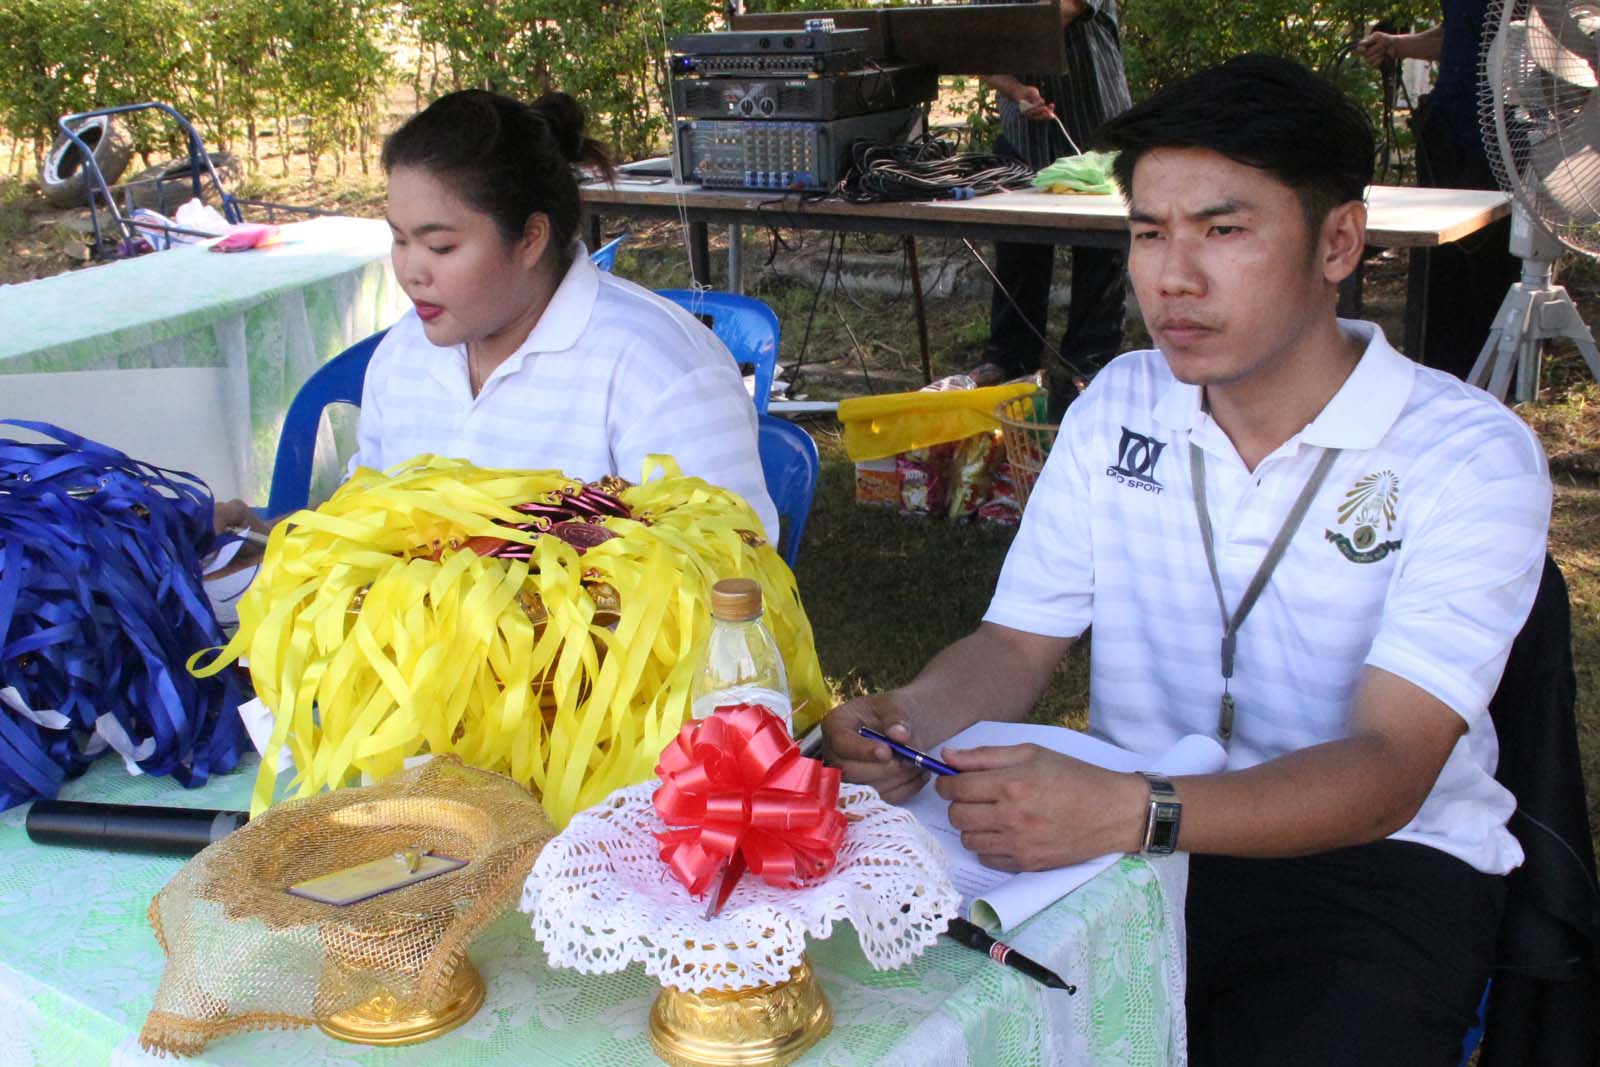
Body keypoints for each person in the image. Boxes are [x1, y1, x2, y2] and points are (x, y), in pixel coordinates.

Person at [825, 55, 1551, 1065]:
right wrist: (908, 718)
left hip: (1374, 864)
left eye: (1223, 231)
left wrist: (1136, 808)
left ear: (1338, 241)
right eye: (1148, 233)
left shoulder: (1464, 454)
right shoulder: (1121, 404)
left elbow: (1390, 768)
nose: (1174, 277)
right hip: (1124, 845)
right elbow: (1014, 643)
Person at [216, 89, 777, 541]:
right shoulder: (405, 354)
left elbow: (732, 569)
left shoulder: (658, 367)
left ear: (531, 238)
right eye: (399, 240)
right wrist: (265, 539)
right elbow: (370, 517)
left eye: (440, 247)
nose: (411, 271)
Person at [970, 0, 1133, 420]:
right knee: (1017, 246)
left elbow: (1058, 12)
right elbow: (974, 43)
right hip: (1024, 135)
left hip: (1097, 126)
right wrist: (1014, 89)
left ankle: (1089, 363)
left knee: (1100, 251)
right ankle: (1010, 358)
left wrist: (996, 39)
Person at [1356, 6, 1520, 380]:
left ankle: (1495, 385)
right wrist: (1397, 45)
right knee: (1440, 273)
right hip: (1446, 131)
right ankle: (1438, 379)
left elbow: (1561, 44)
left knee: (1491, 272)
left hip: (1504, 140)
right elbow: (1458, 34)